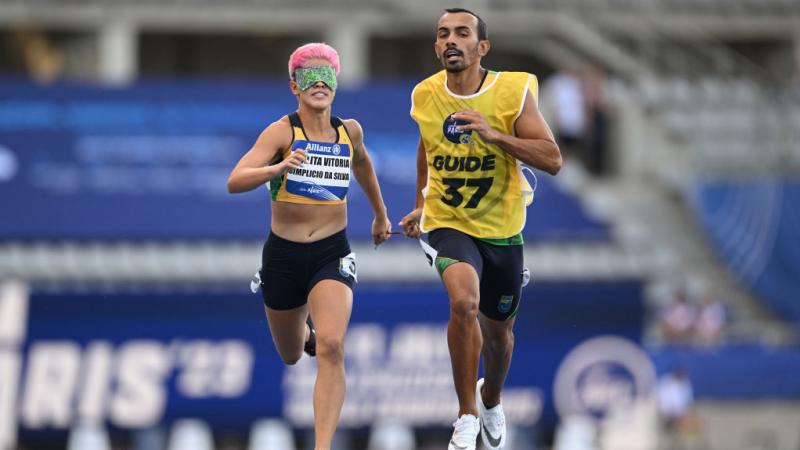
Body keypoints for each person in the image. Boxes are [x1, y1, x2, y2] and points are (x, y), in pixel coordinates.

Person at [399, 9, 562, 450]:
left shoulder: (512, 90)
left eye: (462, 33)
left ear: (481, 47)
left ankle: (491, 397)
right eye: (442, 34)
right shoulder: (425, 94)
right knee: (464, 302)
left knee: (499, 336)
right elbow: (426, 148)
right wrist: (419, 204)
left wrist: (496, 136)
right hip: (447, 223)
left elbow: (552, 159)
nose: (451, 40)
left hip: (503, 230)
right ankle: (467, 412)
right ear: (437, 46)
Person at [227, 42, 391, 450]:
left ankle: (322, 445)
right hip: (282, 257)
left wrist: (381, 215)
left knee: (334, 345)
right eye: (308, 76)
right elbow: (235, 180)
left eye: (327, 74)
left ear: (336, 83)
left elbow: (364, 166)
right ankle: (306, 332)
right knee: (291, 355)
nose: (319, 82)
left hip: (331, 253)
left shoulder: (349, 130)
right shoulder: (283, 132)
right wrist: (278, 167)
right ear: (294, 87)